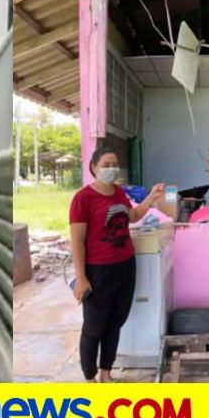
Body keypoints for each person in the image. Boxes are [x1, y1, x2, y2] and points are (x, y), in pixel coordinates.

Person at [69, 147, 165, 382]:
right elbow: (77, 242)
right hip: (99, 270)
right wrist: (81, 278)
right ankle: (90, 378)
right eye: (106, 165)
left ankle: (106, 373)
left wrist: (151, 198)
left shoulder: (119, 193)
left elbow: (132, 216)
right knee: (94, 328)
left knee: (115, 322)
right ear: (93, 167)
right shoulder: (82, 199)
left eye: (115, 164)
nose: (112, 169)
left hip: (125, 266)